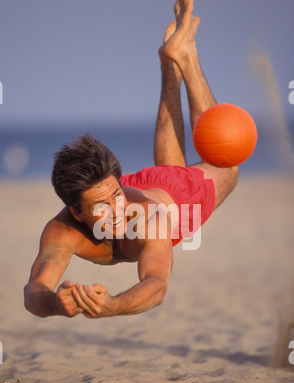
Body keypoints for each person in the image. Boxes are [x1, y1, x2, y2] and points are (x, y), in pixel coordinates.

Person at [24, 0, 238, 319]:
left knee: (227, 162)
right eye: (102, 206)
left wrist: (112, 305)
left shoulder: (149, 219)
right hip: (146, 183)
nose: (118, 211)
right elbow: (33, 293)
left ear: (117, 183)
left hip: (173, 200)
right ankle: (170, 62)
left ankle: (187, 58)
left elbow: (156, 285)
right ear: (75, 212)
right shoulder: (62, 231)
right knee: (170, 170)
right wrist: (55, 303)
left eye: (115, 197)